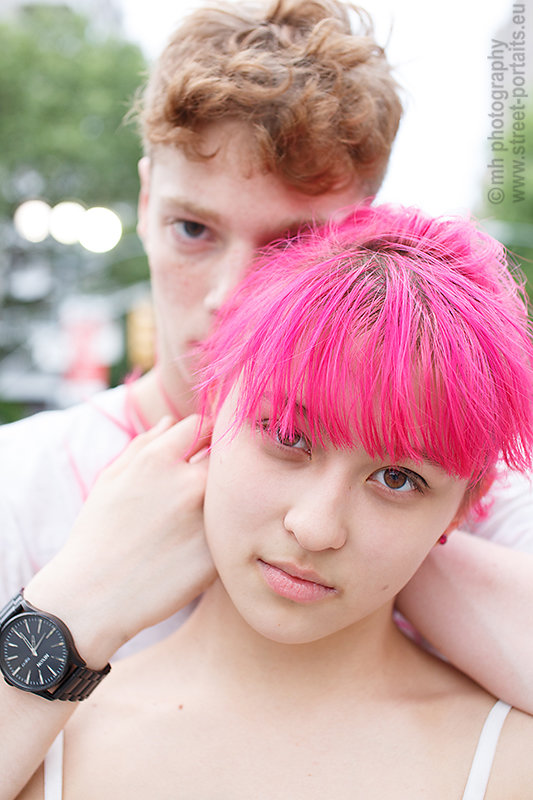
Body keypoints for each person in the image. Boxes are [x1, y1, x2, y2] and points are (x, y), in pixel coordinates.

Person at [1, 0, 533, 773]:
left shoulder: (482, 512)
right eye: (193, 230)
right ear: (147, 201)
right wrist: (69, 612)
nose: (227, 295)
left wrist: (421, 557)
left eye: (291, 245)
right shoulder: (20, 486)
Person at [11, 204, 533, 799]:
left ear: (464, 508)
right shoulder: (36, 745)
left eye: (396, 478)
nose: (315, 528)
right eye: (289, 435)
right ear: (211, 406)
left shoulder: (510, 763)